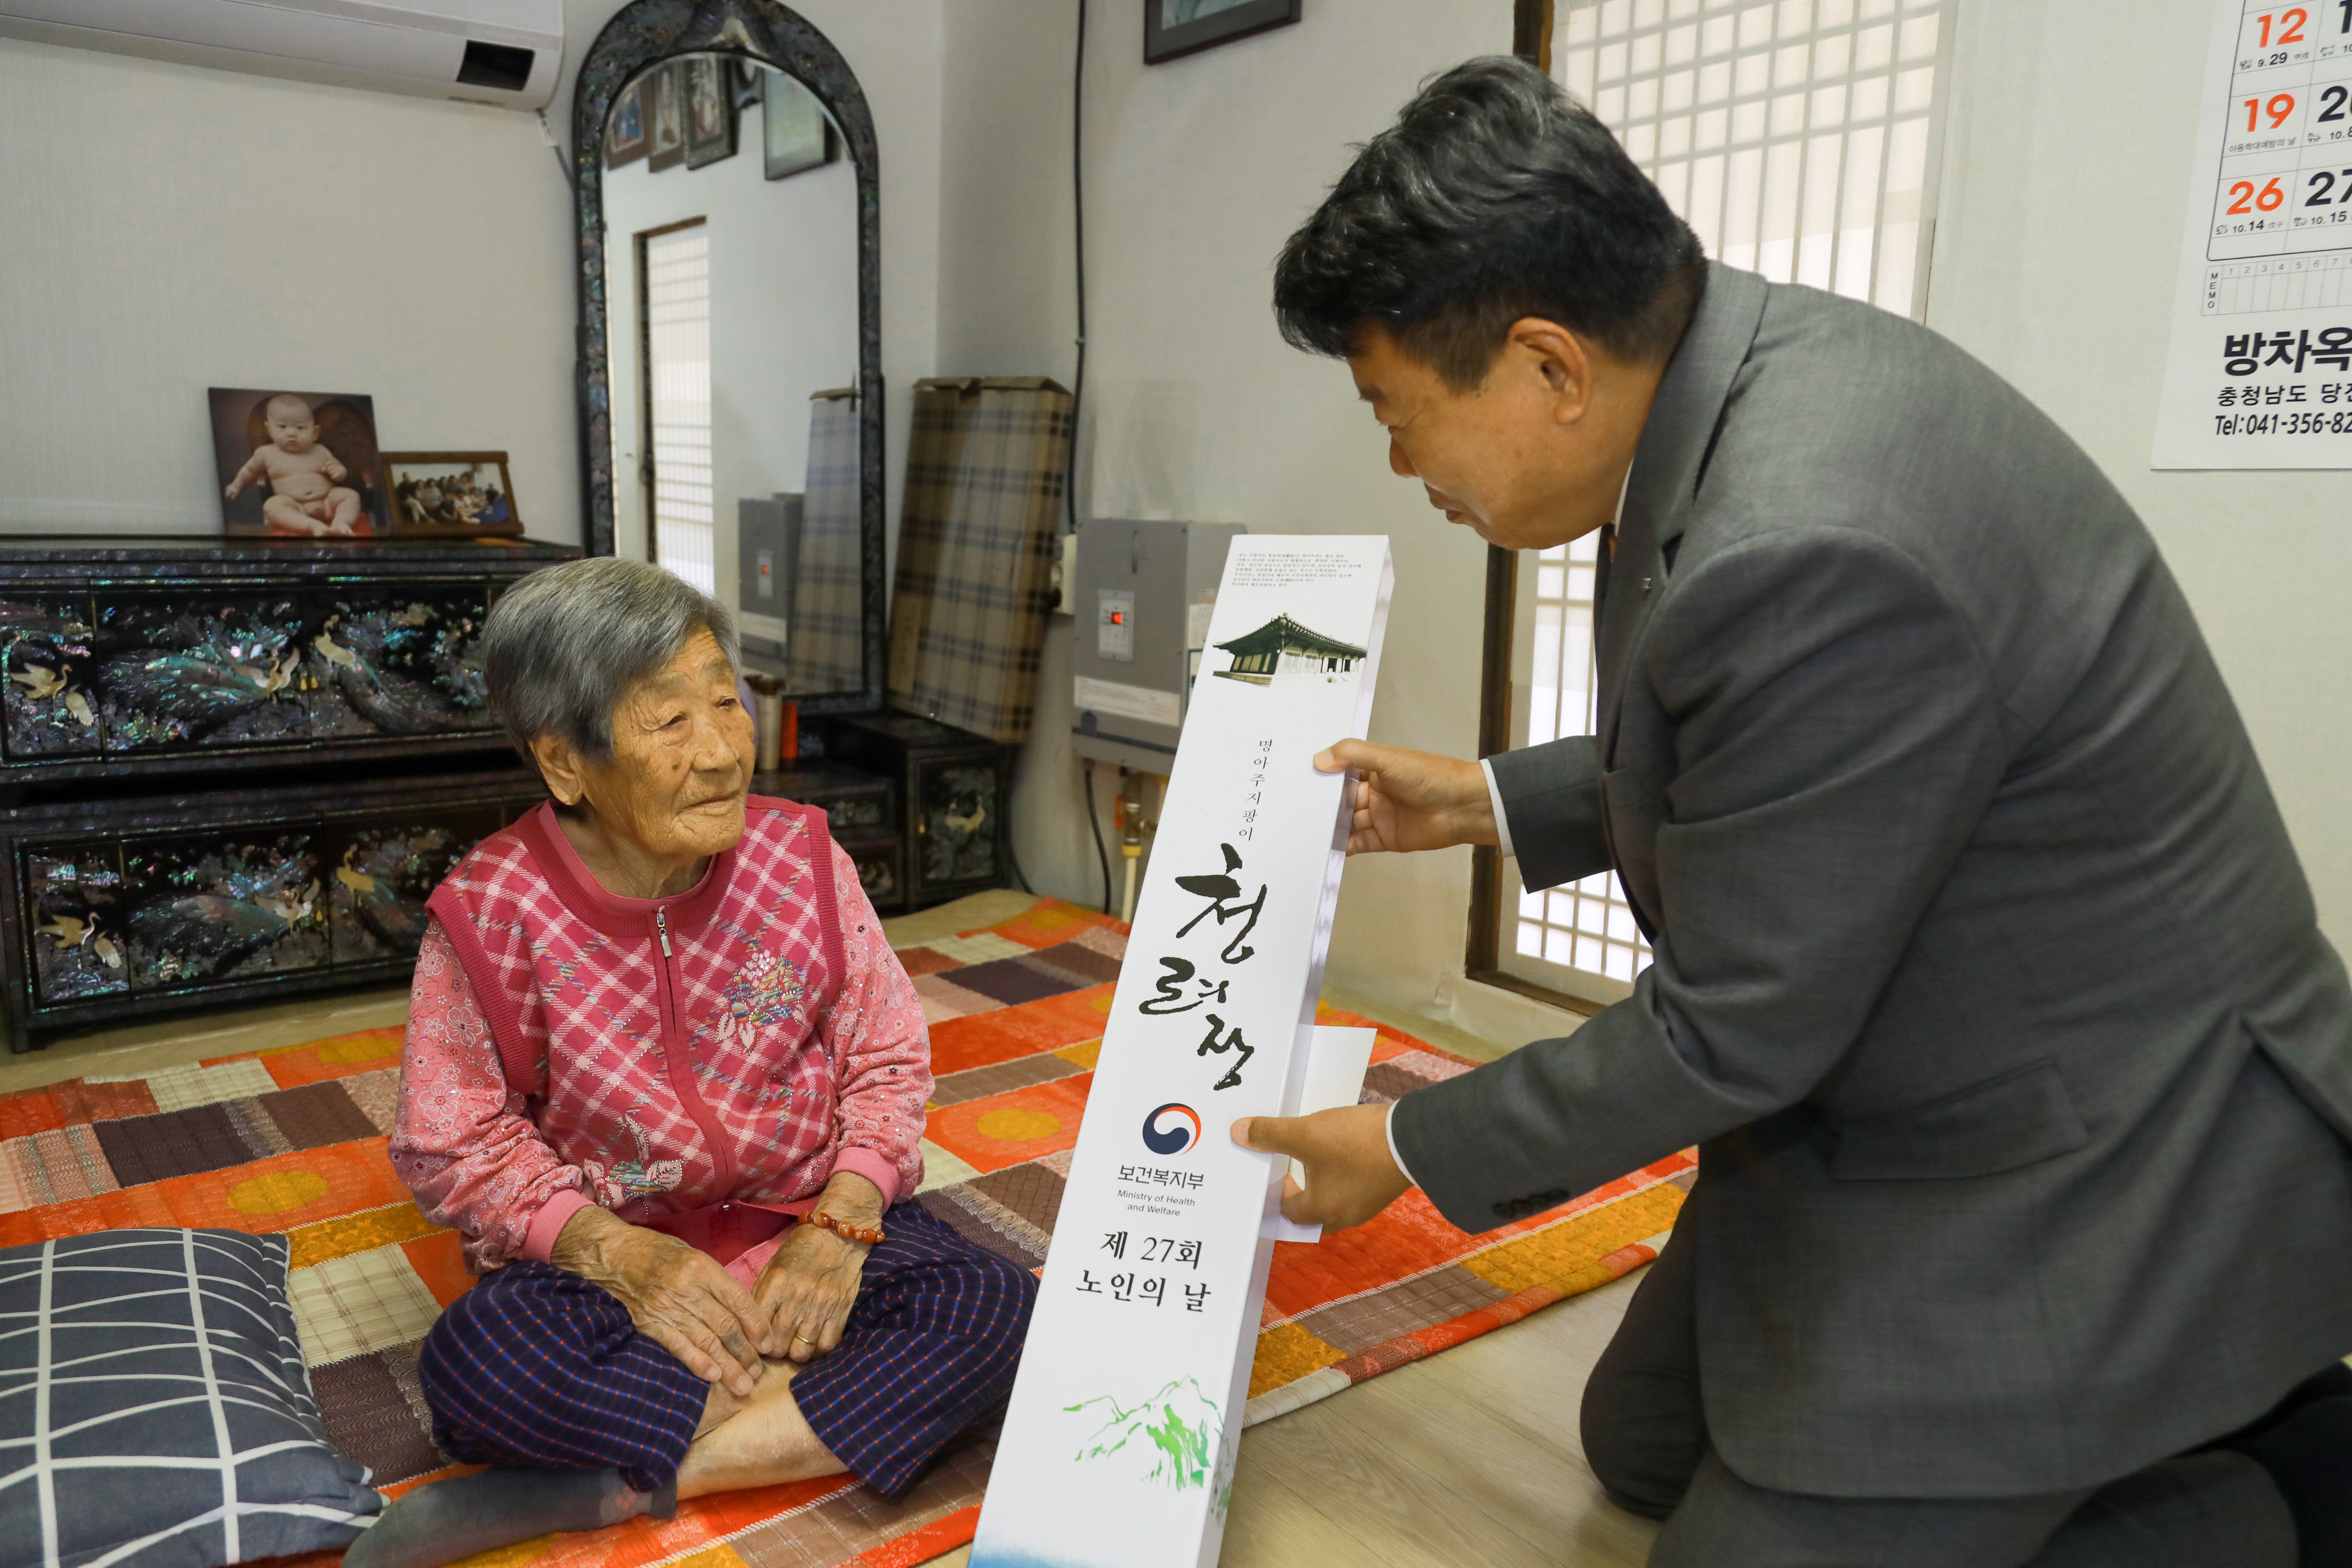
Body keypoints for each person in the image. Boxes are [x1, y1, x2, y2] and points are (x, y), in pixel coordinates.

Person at [1234, 57, 2352, 1567]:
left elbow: (1729, 1028)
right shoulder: (1735, 379)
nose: (1399, 460)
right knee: (1642, 1448)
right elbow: (1782, 766)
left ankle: (2277, 1488)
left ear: (1550, 365)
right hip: (1915, 1045)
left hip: (2100, 1144)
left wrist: (1414, 1144)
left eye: (1396, 410)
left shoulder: (1810, 535)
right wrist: (1492, 798)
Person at [354, 558, 1034, 1568]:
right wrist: (620, 1256)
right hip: (611, 1258)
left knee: (1002, 1311)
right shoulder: (491, 910)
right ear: (564, 761)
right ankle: (817, 1415)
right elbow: (452, 1140)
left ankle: (626, 1484)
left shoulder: (801, 858)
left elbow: (885, 1056)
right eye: (668, 723)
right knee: (477, 1374)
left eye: (727, 701)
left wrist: (843, 1224)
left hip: (809, 1219)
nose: (721, 752)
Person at [224, 392, 366, 537]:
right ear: (269, 430)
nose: (292, 433)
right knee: (272, 506)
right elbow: (249, 470)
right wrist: (236, 485)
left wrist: (339, 472)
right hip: (296, 507)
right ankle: (311, 525)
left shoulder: (321, 451)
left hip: (327, 503)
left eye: (300, 428)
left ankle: (341, 523)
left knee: (350, 495)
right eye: (283, 427)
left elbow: (339, 471)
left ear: (315, 432)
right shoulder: (266, 454)